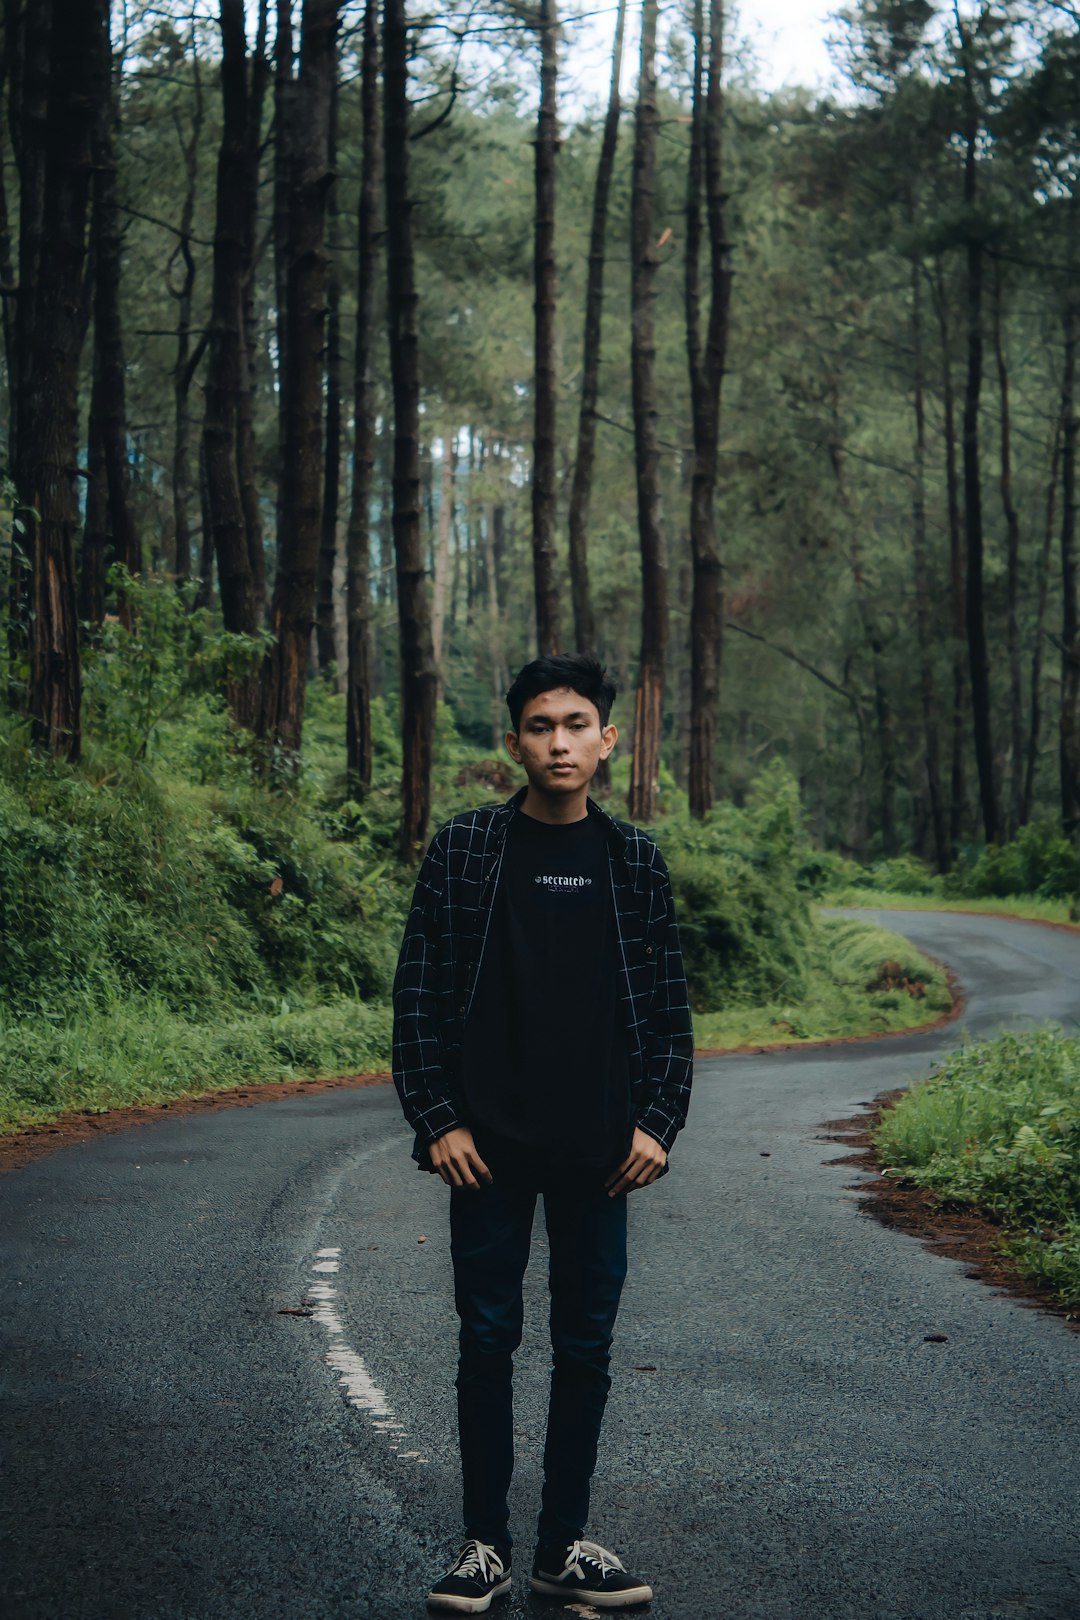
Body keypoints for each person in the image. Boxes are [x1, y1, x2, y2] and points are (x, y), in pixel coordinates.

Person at [392, 653, 694, 1614]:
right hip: (485, 1150)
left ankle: (563, 1547)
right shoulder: (467, 850)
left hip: (603, 1156)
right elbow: (419, 993)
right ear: (513, 741)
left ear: (609, 739)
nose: (557, 742)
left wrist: (659, 1121)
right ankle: (484, 1543)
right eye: (538, 725)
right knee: (486, 1342)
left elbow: (669, 1012)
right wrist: (436, 1119)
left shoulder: (634, 861)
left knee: (585, 1349)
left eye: (575, 724)